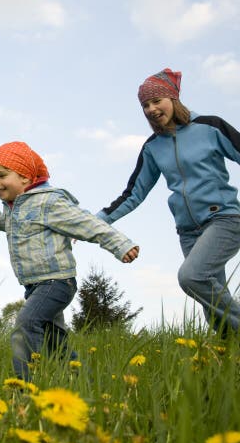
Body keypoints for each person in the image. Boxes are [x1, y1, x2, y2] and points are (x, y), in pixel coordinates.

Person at [97, 68, 240, 336]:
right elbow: (133, 193)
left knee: (192, 277)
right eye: (145, 105)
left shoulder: (210, 127)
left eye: (156, 101)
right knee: (214, 303)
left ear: (173, 99)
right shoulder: (153, 147)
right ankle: (229, 352)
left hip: (224, 219)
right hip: (187, 230)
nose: (151, 109)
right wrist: (93, 222)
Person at [0, 141, 139, 380]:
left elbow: (87, 223)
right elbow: (13, 225)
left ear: (25, 177)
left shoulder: (49, 202)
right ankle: (83, 382)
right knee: (55, 343)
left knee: (25, 326)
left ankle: (24, 389)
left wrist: (120, 245)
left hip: (56, 282)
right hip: (35, 285)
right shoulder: (15, 208)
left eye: (1, 175)